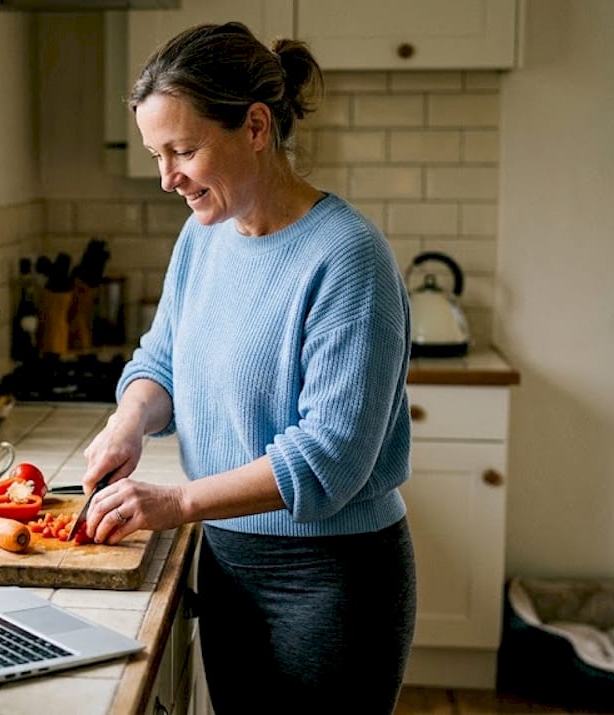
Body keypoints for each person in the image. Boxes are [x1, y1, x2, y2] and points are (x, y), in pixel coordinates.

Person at [76, 22, 417, 713]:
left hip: (333, 583)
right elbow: (162, 359)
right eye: (156, 154)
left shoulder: (348, 257)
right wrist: (129, 420)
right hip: (231, 563)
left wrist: (177, 503)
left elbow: (329, 460)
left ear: (255, 126)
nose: (167, 178)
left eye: (183, 150)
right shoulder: (203, 238)